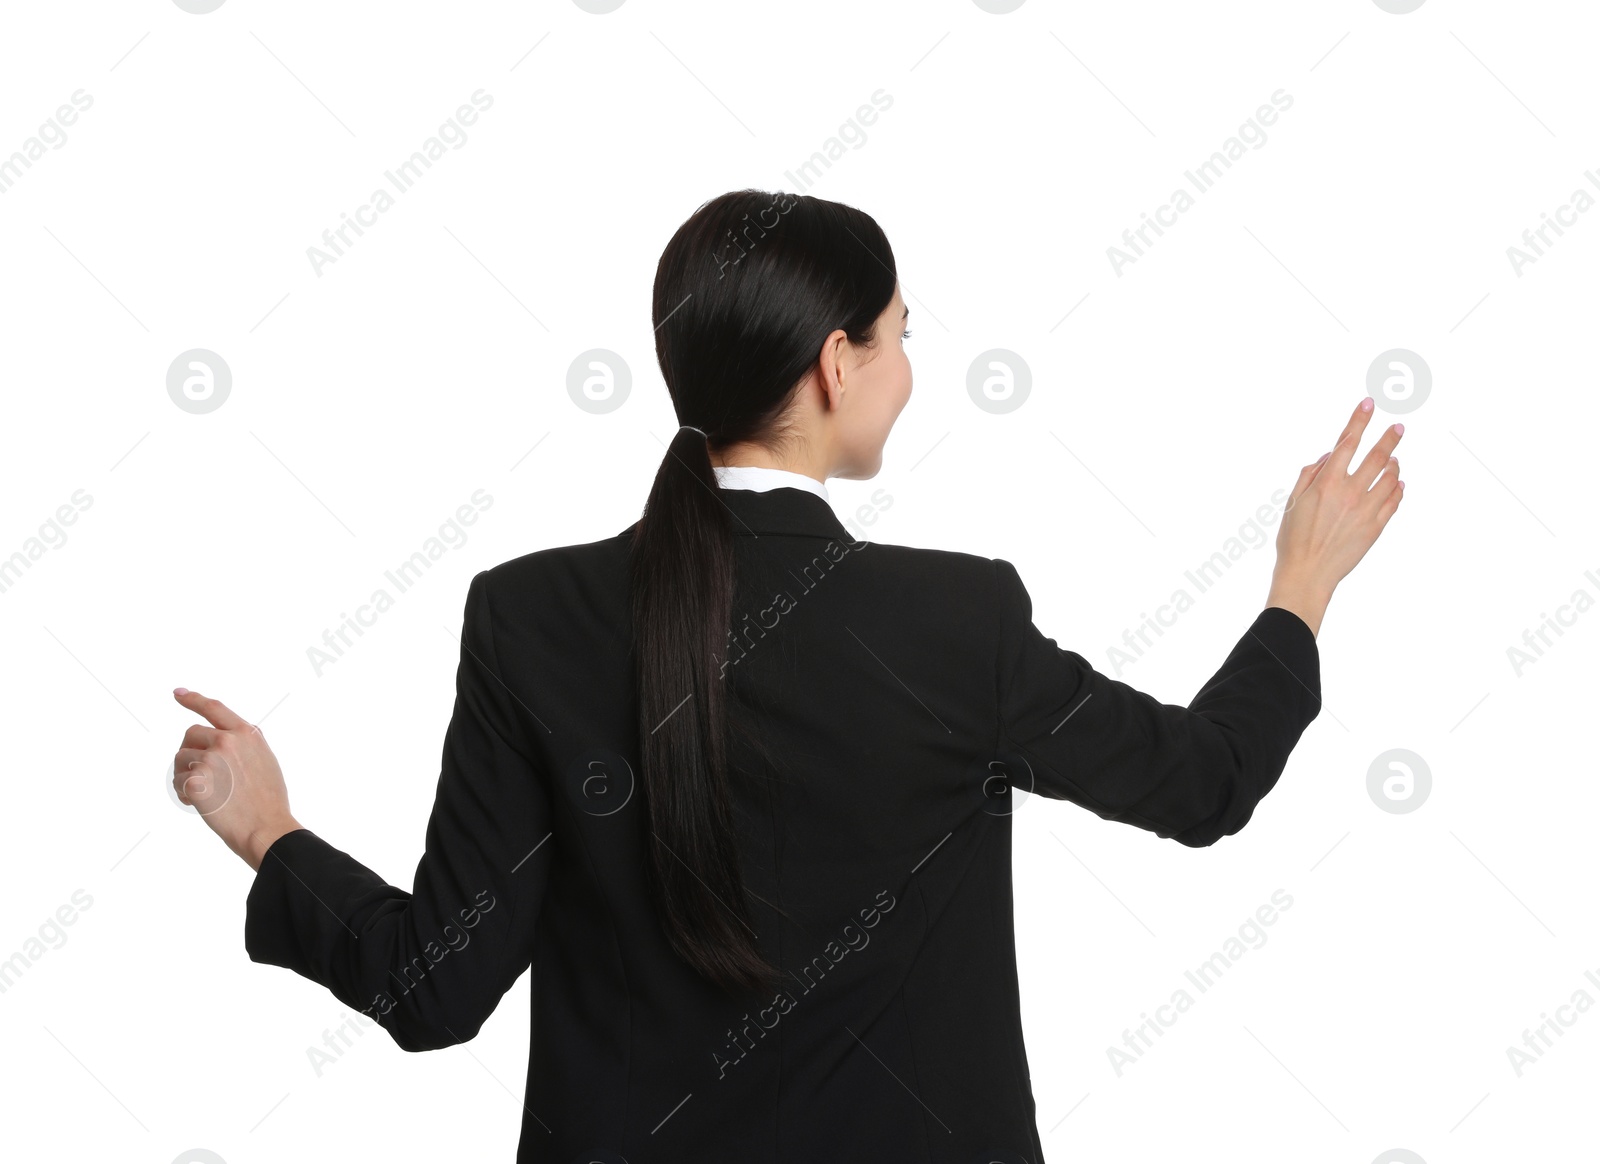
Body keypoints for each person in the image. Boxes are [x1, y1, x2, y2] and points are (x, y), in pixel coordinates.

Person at [170, 189, 1405, 1162]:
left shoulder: (530, 614)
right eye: (901, 337)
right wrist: (1300, 588)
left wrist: (266, 829)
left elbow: (433, 988)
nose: (908, 369)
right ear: (834, 362)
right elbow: (1203, 784)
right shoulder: (955, 619)